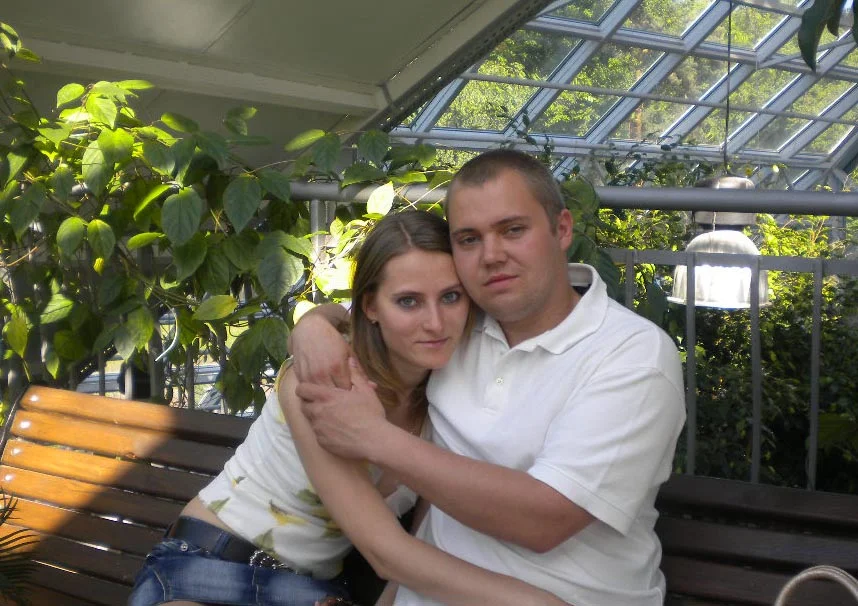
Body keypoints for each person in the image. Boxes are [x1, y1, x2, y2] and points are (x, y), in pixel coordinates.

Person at [291, 149, 687, 605]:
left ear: (562, 229)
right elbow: (364, 315)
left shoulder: (631, 354)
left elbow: (544, 520)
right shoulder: (453, 323)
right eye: (469, 239)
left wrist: (372, 437)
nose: (492, 256)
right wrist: (312, 327)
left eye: (513, 230)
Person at [127, 210, 569, 606]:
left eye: (451, 297)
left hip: (315, 593)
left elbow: (420, 543)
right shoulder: (326, 379)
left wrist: (314, 320)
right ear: (370, 306)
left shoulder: (450, 399)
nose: (435, 323)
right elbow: (386, 552)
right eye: (408, 301)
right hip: (210, 567)